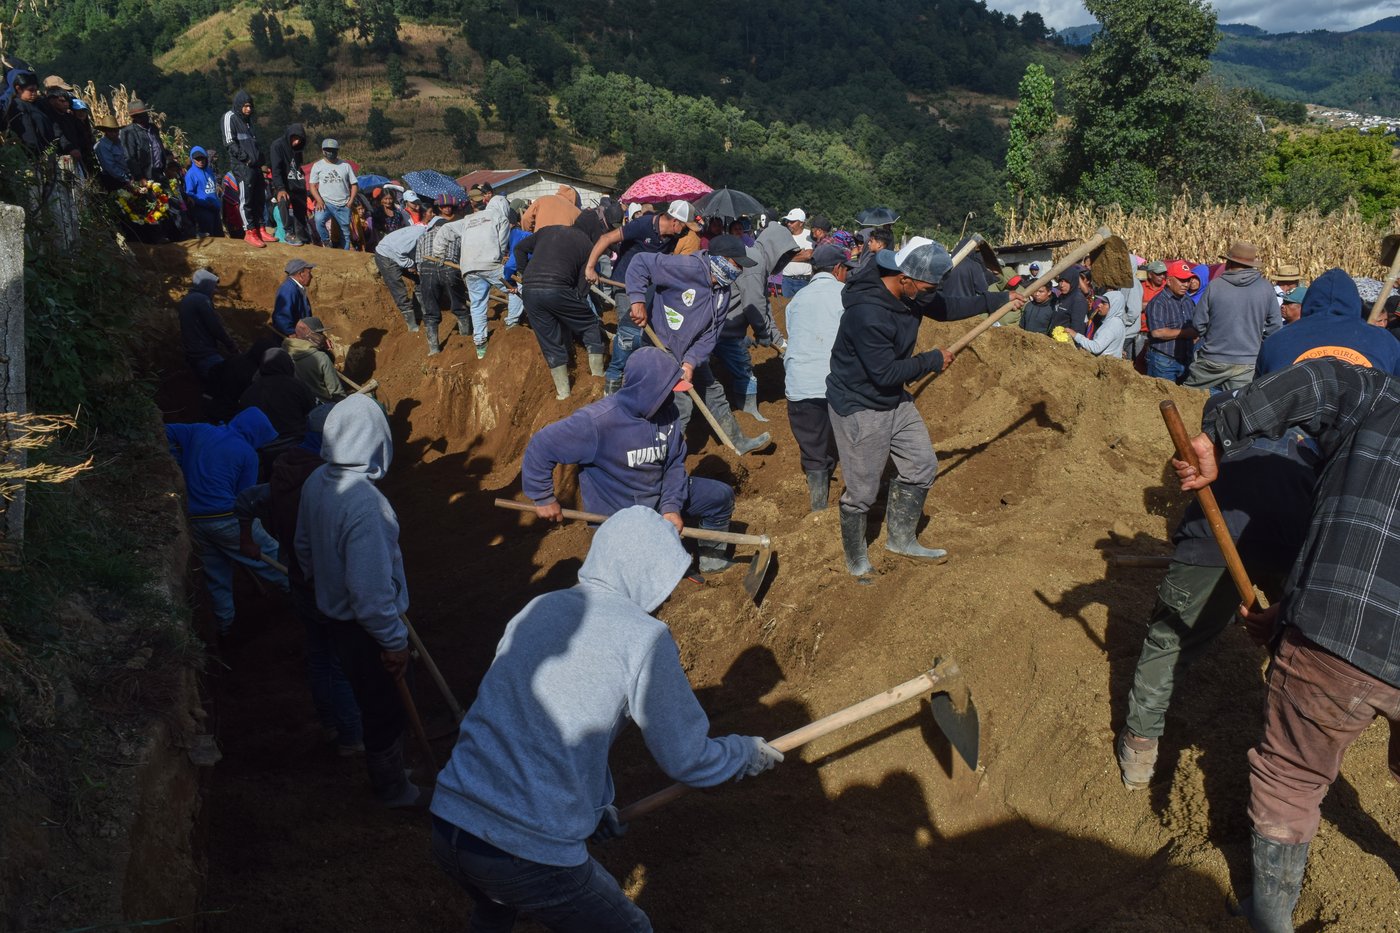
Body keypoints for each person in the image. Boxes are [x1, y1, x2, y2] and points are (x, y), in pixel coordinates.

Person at [431, 505, 782, 930]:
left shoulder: (540, 607)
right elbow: (688, 759)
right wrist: (744, 755)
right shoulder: (643, 638)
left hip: (450, 821)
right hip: (523, 849)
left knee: (494, 908)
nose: (668, 597)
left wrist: (593, 808)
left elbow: (546, 720)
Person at [1172, 358, 1400, 932]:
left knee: (1291, 781)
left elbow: (1317, 380)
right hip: (1334, 621)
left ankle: (1270, 921)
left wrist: (1214, 435)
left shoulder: (1379, 399)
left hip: (1336, 633)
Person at [826, 243, 1023, 578]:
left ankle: (900, 540)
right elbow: (884, 372)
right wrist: (931, 360)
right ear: (905, 279)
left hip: (892, 398)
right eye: (929, 288)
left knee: (921, 465)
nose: (932, 295)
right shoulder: (868, 313)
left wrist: (997, 301)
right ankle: (856, 559)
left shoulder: (912, 294)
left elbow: (945, 307)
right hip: (860, 404)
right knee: (862, 491)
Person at [296, 394, 426, 807]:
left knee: (370, 698)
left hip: (336, 617)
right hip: (363, 625)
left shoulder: (317, 480)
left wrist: (327, 588)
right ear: (376, 441)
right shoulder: (367, 505)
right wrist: (392, 640)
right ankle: (393, 789)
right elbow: (369, 592)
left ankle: (393, 776)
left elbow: (303, 549)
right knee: (384, 707)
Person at [523, 345, 745, 565]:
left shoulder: (668, 412)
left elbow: (674, 464)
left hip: (660, 496)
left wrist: (671, 507)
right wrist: (543, 497)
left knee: (719, 497)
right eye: (669, 390)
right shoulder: (597, 422)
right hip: (621, 516)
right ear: (648, 389)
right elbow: (542, 445)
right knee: (643, 575)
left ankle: (712, 562)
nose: (674, 396)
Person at [235, 419, 364, 755]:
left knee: (320, 656)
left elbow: (247, 500)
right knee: (341, 663)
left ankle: (330, 727)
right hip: (329, 585)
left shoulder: (284, 475)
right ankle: (351, 737)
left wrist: (247, 538)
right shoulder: (322, 483)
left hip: (299, 582)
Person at [623, 235, 772, 455]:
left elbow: (710, 336)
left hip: (689, 351)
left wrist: (690, 363)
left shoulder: (723, 292)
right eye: (736, 264)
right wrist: (637, 300)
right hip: (661, 346)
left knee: (713, 392)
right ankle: (661, 456)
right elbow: (641, 263)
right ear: (720, 259)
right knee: (680, 405)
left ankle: (737, 442)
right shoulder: (687, 267)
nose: (739, 270)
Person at [165, 408, 289, 640]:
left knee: (217, 577)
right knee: (274, 560)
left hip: (196, 522)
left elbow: (164, 431)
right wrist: (249, 538)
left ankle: (225, 627)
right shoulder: (248, 454)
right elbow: (246, 501)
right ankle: (304, 598)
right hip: (227, 518)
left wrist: (177, 458)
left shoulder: (200, 430)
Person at [510, 203, 623, 398]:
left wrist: (524, 271)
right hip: (557, 287)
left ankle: (563, 394)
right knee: (589, 324)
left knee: (550, 340)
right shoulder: (587, 246)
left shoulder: (547, 231)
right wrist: (573, 308)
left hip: (530, 291)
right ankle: (597, 375)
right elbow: (581, 289)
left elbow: (519, 248)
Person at [589, 199, 691, 388]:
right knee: (628, 336)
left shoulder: (673, 238)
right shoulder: (642, 225)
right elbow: (606, 239)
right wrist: (590, 268)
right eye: (685, 226)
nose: (687, 232)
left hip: (649, 289)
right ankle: (616, 383)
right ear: (675, 222)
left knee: (645, 335)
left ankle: (640, 380)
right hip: (625, 285)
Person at [785, 241, 855, 512]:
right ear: (838, 268)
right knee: (849, 440)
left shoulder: (796, 300)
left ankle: (818, 506)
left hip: (800, 384)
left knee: (813, 449)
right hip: (835, 383)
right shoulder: (845, 295)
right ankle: (854, 500)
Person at [718, 213, 796, 421]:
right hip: (725, 327)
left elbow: (763, 303)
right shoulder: (754, 262)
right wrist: (763, 333)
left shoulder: (756, 258)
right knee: (744, 371)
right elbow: (754, 306)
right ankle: (748, 414)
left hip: (729, 324)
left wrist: (777, 337)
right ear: (775, 248)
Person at [1256, 268, 1400, 378]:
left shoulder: (1277, 341)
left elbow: (1259, 397)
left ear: (1308, 301)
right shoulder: (1384, 341)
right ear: (1355, 302)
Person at [1185, 241, 1281, 393]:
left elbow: (1198, 324)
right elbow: (1275, 326)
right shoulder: (1266, 288)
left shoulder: (1215, 286)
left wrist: (1210, 335)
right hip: (1247, 363)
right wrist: (1256, 343)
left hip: (1212, 359)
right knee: (1237, 406)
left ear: (1229, 262)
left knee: (1188, 399)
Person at [457, 186, 522, 359]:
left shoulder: (468, 219)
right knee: (516, 288)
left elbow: (454, 235)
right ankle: (512, 323)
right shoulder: (499, 217)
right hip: (490, 264)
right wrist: (501, 258)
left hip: (468, 267)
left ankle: (480, 345)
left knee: (477, 304)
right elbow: (501, 244)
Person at [238, 348, 318, 448]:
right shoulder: (297, 386)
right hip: (296, 442)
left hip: (262, 447)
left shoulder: (249, 391)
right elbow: (312, 412)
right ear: (288, 364)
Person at [221, 90, 271, 248]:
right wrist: (246, 159)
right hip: (242, 166)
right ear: (239, 105)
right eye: (246, 106)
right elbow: (229, 143)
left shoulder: (248, 122)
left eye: (250, 106)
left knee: (259, 198)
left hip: (255, 167)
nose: (249, 109)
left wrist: (260, 160)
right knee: (246, 199)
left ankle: (261, 228)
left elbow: (254, 144)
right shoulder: (229, 117)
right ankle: (250, 231)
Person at [179, 269, 237, 390]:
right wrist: (231, 345)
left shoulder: (188, 299)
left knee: (207, 386)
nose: (215, 291)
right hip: (205, 353)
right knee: (224, 383)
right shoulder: (201, 300)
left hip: (193, 352)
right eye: (213, 286)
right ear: (206, 285)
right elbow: (215, 327)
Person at [375, 216, 434, 336]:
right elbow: (400, 253)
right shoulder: (418, 235)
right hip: (386, 255)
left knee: (420, 278)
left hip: (400, 252)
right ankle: (412, 325)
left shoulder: (428, 235)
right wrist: (410, 264)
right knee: (398, 287)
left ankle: (423, 312)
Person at [1143, 260, 1197, 384]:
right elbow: (1157, 332)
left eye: (1188, 280)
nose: (1186, 284)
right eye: (1182, 280)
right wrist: (1187, 333)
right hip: (1163, 361)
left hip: (1185, 359)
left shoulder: (1188, 301)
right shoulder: (1158, 302)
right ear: (1168, 281)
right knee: (1162, 398)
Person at [308, 139, 358, 251]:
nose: (330, 152)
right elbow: (312, 185)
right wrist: (319, 200)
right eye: (328, 150)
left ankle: (345, 253)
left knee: (345, 231)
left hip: (343, 203)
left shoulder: (345, 166)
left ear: (337, 151)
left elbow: (354, 184)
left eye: (333, 150)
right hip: (325, 203)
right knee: (318, 220)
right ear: (323, 150)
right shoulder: (318, 166)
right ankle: (326, 241)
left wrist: (350, 202)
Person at [284, 316, 346, 404]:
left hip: (297, 407)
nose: (322, 336)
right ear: (309, 334)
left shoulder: (282, 354)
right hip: (322, 407)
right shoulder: (321, 358)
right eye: (319, 333)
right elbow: (337, 392)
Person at [268, 122, 309, 246]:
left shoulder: (298, 149)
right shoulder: (277, 146)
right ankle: (288, 233)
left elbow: (298, 166)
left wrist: (301, 183)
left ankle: (302, 236)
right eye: (295, 138)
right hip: (283, 184)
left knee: (301, 209)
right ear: (289, 135)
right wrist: (280, 188)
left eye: (299, 140)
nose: (296, 142)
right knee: (283, 200)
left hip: (296, 182)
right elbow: (276, 169)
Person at [120, 98, 165, 185]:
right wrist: (139, 177)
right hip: (145, 176)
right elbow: (129, 156)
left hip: (158, 173)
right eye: (141, 115)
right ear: (135, 117)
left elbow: (159, 148)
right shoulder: (128, 132)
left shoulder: (153, 128)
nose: (145, 116)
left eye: (145, 113)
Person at [183, 146, 223, 237]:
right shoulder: (191, 174)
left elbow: (212, 185)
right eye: (197, 159)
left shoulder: (209, 170)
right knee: (209, 235)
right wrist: (205, 203)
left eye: (202, 158)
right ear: (193, 159)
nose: (200, 161)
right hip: (202, 209)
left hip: (215, 208)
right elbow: (189, 193)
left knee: (219, 234)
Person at [273, 258, 316, 337]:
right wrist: (291, 333)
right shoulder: (288, 289)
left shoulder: (296, 288)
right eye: (309, 273)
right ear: (301, 275)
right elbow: (281, 316)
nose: (311, 276)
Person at [778, 208, 815, 297]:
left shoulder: (808, 235)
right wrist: (800, 253)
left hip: (803, 280)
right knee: (787, 308)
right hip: (786, 280)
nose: (788, 224)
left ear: (801, 223)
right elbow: (780, 255)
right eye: (788, 221)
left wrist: (787, 257)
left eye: (792, 221)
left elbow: (808, 255)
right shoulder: (784, 235)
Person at [93, 117, 133, 191]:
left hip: (127, 177)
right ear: (106, 132)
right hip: (115, 180)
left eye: (116, 131)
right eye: (111, 131)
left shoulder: (119, 141)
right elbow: (110, 167)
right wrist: (126, 179)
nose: (115, 133)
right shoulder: (102, 146)